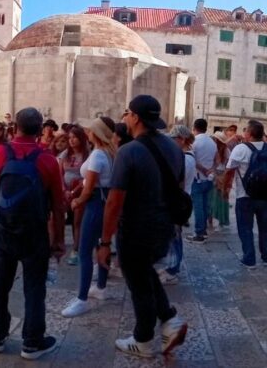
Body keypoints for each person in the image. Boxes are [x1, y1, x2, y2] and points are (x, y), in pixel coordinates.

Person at [97, 95, 187, 357]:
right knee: (145, 273)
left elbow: (114, 201)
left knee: (138, 283)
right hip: (164, 225)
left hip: (136, 227)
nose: (125, 117)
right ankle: (169, 320)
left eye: (127, 113)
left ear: (135, 117)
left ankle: (143, 340)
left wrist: (104, 242)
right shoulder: (173, 147)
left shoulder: (129, 151)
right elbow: (178, 187)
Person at [0, 107, 65, 360]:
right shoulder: (48, 160)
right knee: (35, 288)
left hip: (4, 233)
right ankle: (32, 342)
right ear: (40, 130)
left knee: (0, 285)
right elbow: (58, 206)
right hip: (34, 234)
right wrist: (58, 240)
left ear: (14, 127)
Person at [61, 117, 116, 317]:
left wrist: (77, 201)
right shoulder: (109, 153)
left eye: (91, 130)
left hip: (94, 205)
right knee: (101, 245)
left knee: (84, 252)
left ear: (96, 133)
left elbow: (89, 185)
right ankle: (100, 287)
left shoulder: (98, 156)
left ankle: (82, 298)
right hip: (105, 204)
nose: (88, 133)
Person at [225, 120, 267, 269]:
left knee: (245, 227)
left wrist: (225, 189)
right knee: (264, 227)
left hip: (245, 195)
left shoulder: (240, 149)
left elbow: (229, 169)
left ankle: (249, 259)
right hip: (266, 195)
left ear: (249, 134)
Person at [160, 125, 196, 285]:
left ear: (181, 139)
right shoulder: (185, 156)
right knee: (174, 235)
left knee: (175, 236)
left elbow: (177, 182)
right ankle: (172, 267)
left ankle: (172, 270)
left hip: (179, 201)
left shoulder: (185, 158)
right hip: (180, 199)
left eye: (173, 139)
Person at [59, 125, 89, 265]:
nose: (71, 141)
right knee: (57, 218)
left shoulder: (87, 155)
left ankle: (76, 250)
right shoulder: (65, 154)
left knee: (77, 222)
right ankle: (57, 245)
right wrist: (64, 190)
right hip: (65, 191)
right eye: (69, 138)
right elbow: (59, 173)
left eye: (74, 137)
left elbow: (88, 176)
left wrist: (74, 190)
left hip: (79, 191)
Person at [187, 118, 216, 243]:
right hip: (208, 179)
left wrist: (204, 170)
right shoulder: (212, 142)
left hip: (198, 178)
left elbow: (193, 159)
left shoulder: (194, 142)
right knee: (204, 205)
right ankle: (203, 231)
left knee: (198, 206)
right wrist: (210, 170)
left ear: (194, 127)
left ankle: (199, 233)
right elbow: (216, 159)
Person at [209, 131, 231, 232]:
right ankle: (210, 220)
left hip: (223, 177)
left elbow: (228, 167)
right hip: (215, 176)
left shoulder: (226, 151)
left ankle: (221, 221)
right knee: (212, 198)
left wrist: (224, 179)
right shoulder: (214, 149)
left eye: (215, 139)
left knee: (221, 199)